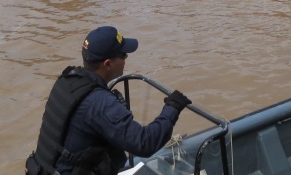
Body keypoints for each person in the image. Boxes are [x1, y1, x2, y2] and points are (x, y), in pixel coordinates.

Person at [26, 26, 191, 175]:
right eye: (123, 54)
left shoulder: (67, 80)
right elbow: (144, 143)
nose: (126, 58)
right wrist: (172, 108)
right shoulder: (99, 103)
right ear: (108, 64)